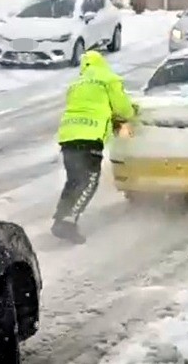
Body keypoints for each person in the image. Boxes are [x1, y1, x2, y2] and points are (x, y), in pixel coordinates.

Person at [52, 51, 137, 243]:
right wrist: (132, 113)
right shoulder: (108, 79)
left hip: (68, 136)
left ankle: (61, 215)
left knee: (74, 180)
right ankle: (67, 222)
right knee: (89, 181)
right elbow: (123, 108)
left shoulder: (76, 83)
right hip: (90, 137)